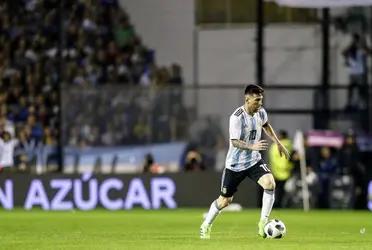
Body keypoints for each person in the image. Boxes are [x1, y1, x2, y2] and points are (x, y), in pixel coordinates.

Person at [199, 84, 290, 239]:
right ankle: (206, 225)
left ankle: (263, 222)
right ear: (247, 99)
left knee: (270, 183)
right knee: (225, 201)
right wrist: (252, 146)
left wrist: (278, 142)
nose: (260, 104)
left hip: (254, 161)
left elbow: (266, 125)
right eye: (256, 101)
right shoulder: (236, 117)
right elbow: (234, 141)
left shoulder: (261, 112)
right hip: (235, 165)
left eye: (261, 100)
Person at [268, 130, 293, 208]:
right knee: (284, 191)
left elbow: (273, 160)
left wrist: (273, 170)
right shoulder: (291, 145)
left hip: (276, 172)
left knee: (275, 191)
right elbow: (292, 159)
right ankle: (284, 206)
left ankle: (276, 205)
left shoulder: (275, 146)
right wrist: (289, 167)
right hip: (288, 172)